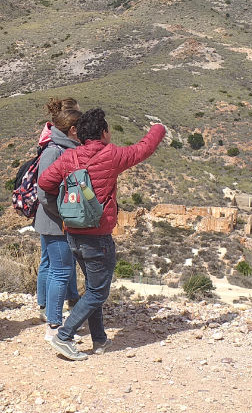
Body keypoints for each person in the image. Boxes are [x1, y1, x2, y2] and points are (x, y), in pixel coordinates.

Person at [38, 108, 164, 361]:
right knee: (98, 292)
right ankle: (64, 335)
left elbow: (45, 183)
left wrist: (64, 205)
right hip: (97, 236)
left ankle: (99, 340)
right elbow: (142, 149)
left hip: (73, 232)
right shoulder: (111, 155)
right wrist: (158, 129)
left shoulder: (69, 157)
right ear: (104, 132)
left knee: (92, 289)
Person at [33, 98, 83, 340]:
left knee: (55, 267)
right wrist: (65, 216)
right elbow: (44, 193)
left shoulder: (58, 148)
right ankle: (54, 323)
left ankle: (49, 312)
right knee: (61, 271)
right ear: (72, 130)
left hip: (54, 220)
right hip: (56, 222)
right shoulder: (54, 151)